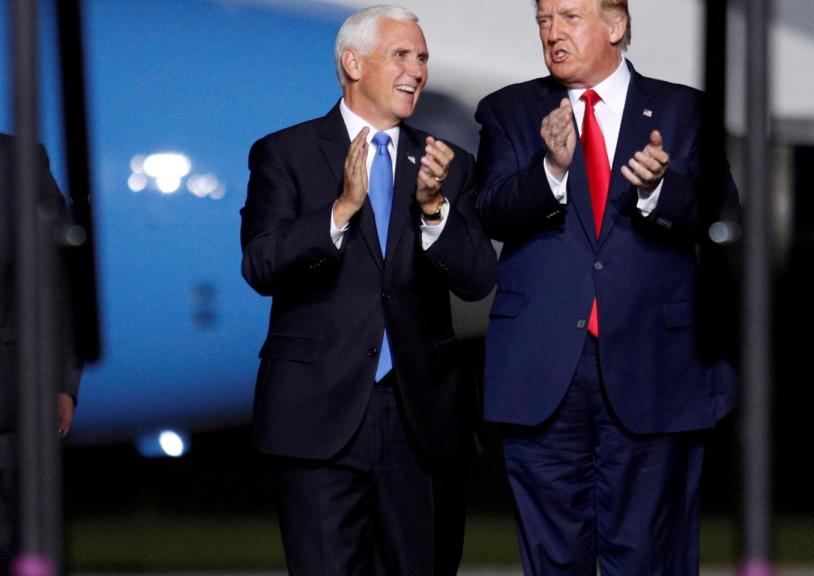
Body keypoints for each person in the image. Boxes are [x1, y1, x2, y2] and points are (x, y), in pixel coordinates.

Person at [474, 0, 740, 574]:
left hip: (655, 365)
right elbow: (490, 212)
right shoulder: (510, 110)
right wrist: (550, 171)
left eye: (569, 17)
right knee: (553, 556)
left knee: (650, 555)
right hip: (543, 369)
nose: (552, 32)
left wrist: (658, 191)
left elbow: (722, 219)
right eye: (544, 20)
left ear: (616, 25)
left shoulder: (684, 110)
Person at [240, 6, 497, 575]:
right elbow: (261, 264)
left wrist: (434, 211)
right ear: (352, 63)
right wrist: (340, 210)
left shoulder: (446, 164)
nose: (417, 71)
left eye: (423, 57)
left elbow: (479, 279)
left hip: (421, 422)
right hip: (317, 418)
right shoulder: (286, 154)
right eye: (402, 55)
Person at [0, 133, 79, 576]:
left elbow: (57, 280)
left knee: (17, 536)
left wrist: (64, 382)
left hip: (10, 395)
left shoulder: (20, 162)